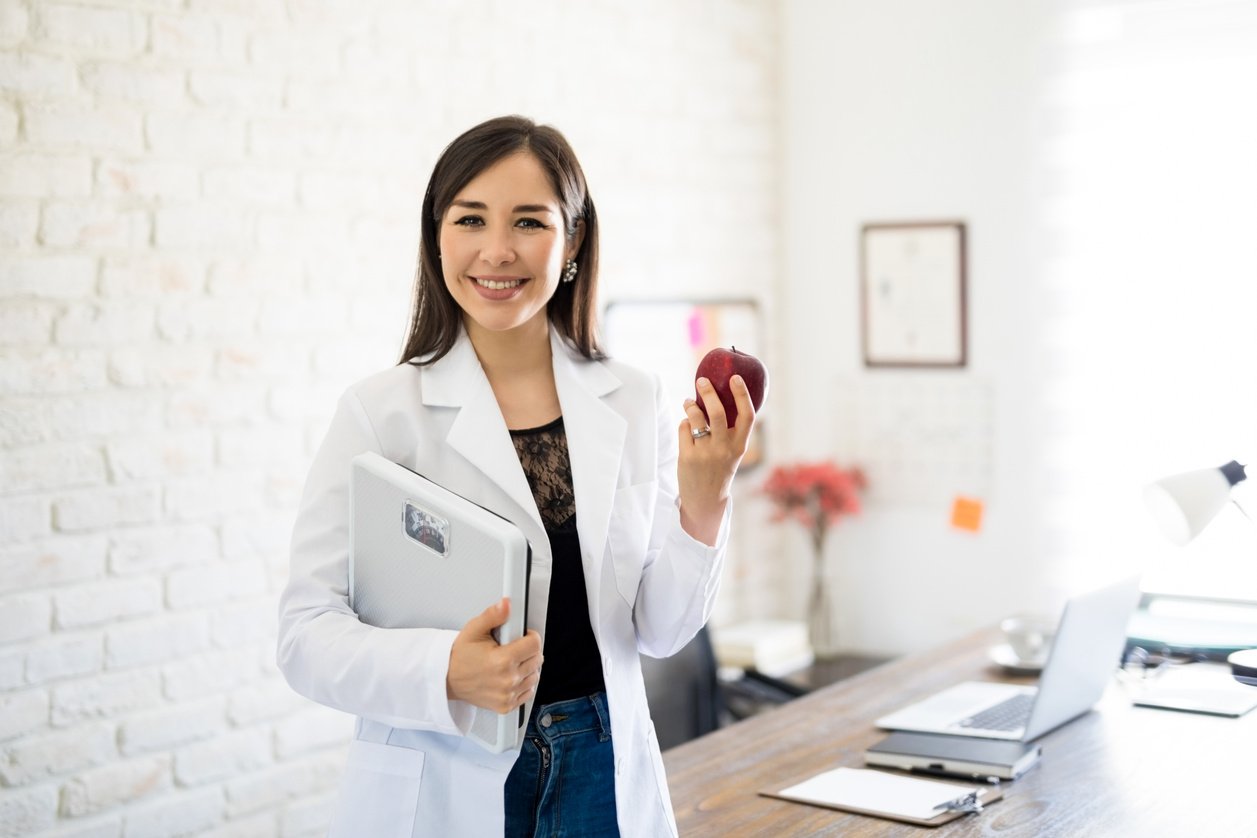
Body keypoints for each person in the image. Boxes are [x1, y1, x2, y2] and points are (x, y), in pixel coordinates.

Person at [276, 115, 756, 837]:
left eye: (528, 222)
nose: (496, 251)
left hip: (602, 765)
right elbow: (304, 637)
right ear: (437, 236)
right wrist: (444, 669)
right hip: (447, 771)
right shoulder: (381, 414)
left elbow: (657, 632)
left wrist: (705, 500)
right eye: (470, 219)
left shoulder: (633, 398)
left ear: (572, 243)